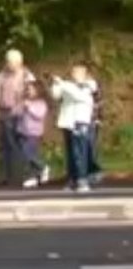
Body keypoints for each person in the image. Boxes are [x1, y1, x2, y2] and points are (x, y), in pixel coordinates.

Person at [0, 49, 36, 185]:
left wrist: (27, 100)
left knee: (19, 145)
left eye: (12, 62)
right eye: (8, 62)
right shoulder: (3, 74)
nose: (9, 65)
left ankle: (23, 174)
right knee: (5, 145)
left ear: (19, 62)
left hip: (20, 114)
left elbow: (34, 93)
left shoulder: (27, 75)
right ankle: (6, 175)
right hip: (4, 113)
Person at [52, 61, 98, 193]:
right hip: (67, 121)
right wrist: (56, 85)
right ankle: (72, 178)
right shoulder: (68, 85)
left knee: (80, 152)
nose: (74, 74)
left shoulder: (89, 85)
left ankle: (82, 179)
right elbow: (56, 96)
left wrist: (63, 84)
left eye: (78, 72)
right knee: (71, 152)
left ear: (85, 74)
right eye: (73, 72)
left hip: (80, 121)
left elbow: (78, 96)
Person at [18, 81, 49, 188]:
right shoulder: (26, 101)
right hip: (24, 131)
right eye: (28, 89)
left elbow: (39, 115)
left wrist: (29, 107)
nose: (28, 91)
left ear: (38, 91)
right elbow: (21, 116)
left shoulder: (41, 103)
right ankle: (33, 177)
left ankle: (43, 166)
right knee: (26, 156)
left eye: (31, 89)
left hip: (33, 133)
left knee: (28, 153)